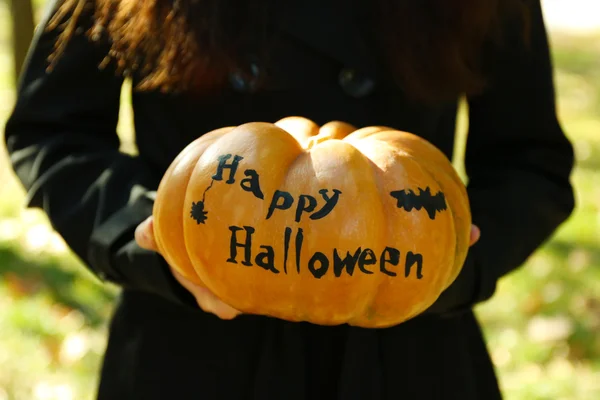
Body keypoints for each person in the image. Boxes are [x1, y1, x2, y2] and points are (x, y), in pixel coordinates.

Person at [4, 0, 575, 398]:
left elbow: (530, 160)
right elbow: (55, 131)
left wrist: (451, 259)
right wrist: (152, 234)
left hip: (406, 349)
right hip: (189, 350)